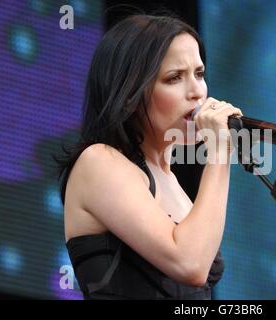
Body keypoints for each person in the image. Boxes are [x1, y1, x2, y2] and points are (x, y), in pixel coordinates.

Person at [55, 14, 243, 300]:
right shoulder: (98, 162)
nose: (197, 92)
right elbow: (189, 263)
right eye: (174, 78)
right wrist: (219, 154)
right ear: (130, 92)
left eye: (200, 74)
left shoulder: (171, 182)